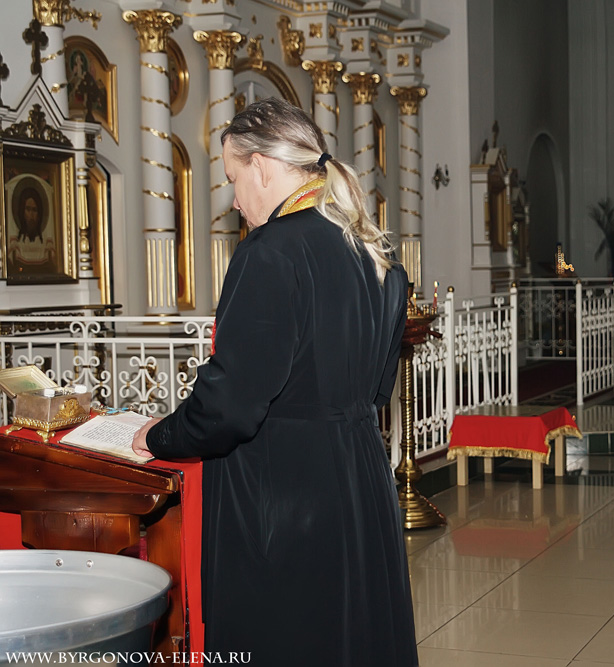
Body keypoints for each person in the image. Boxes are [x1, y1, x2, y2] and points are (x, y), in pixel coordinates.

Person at [130, 98, 417, 666]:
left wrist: (160, 435)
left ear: (261, 166)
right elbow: (378, 388)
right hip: (360, 478)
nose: (235, 201)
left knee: (286, 638)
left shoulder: (270, 251)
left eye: (234, 179)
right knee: (352, 637)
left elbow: (232, 406)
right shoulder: (373, 251)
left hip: (282, 495)